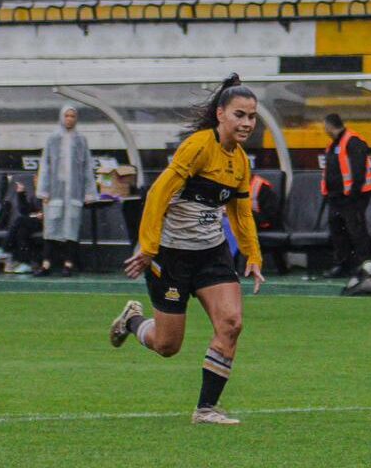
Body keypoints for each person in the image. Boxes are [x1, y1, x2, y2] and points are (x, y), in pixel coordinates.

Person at [108, 74, 265, 425]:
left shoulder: (240, 161)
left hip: (211, 253)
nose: (247, 123)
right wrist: (149, 248)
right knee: (167, 346)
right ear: (221, 114)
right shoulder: (197, 146)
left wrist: (253, 256)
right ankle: (132, 321)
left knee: (231, 323)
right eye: (240, 115)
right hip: (171, 255)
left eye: (252, 116)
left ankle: (206, 409)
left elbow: (240, 212)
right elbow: (158, 193)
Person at [34, 105, 98, 277]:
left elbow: (86, 167)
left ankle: (68, 264)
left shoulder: (81, 140)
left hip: (74, 193)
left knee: (71, 229)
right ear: (62, 117)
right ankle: (46, 264)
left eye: (72, 116)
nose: (69, 119)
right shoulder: (52, 139)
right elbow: (45, 166)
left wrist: (89, 192)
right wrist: (44, 191)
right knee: (51, 228)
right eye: (67, 116)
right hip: (55, 193)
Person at [321, 113, 371, 278]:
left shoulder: (353, 141)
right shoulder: (333, 145)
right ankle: (343, 264)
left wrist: (353, 194)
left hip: (352, 197)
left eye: (325, 127)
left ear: (329, 126)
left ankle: (365, 266)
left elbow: (359, 170)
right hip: (335, 197)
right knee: (337, 232)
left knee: (357, 232)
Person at [0, 177, 43, 274]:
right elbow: (25, 211)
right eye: (35, 180)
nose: (36, 182)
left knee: (20, 220)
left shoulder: (49, 195)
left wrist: (42, 214)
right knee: (22, 231)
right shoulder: (35, 196)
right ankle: (26, 263)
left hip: (47, 223)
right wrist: (21, 193)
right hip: (34, 222)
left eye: (38, 180)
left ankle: (4, 249)